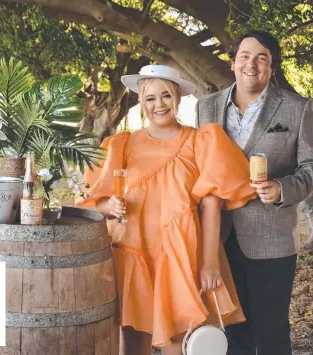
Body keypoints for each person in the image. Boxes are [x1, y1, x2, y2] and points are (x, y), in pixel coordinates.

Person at [77, 64, 257, 355]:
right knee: (132, 342)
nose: (158, 104)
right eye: (150, 98)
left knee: (179, 343)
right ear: (141, 102)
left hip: (178, 255)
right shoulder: (122, 144)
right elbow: (95, 201)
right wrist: (107, 205)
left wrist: (209, 262)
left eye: (165, 96)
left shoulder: (201, 141)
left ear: (177, 98)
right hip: (131, 253)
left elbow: (212, 206)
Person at [196, 30, 313, 355]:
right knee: (233, 334)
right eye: (245, 56)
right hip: (218, 237)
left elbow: (310, 169)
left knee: (272, 334)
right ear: (233, 62)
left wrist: (281, 189)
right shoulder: (206, 108)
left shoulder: (298, 108)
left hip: (272, 238)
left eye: (262, 58)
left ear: (272, 68)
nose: (252, 64)